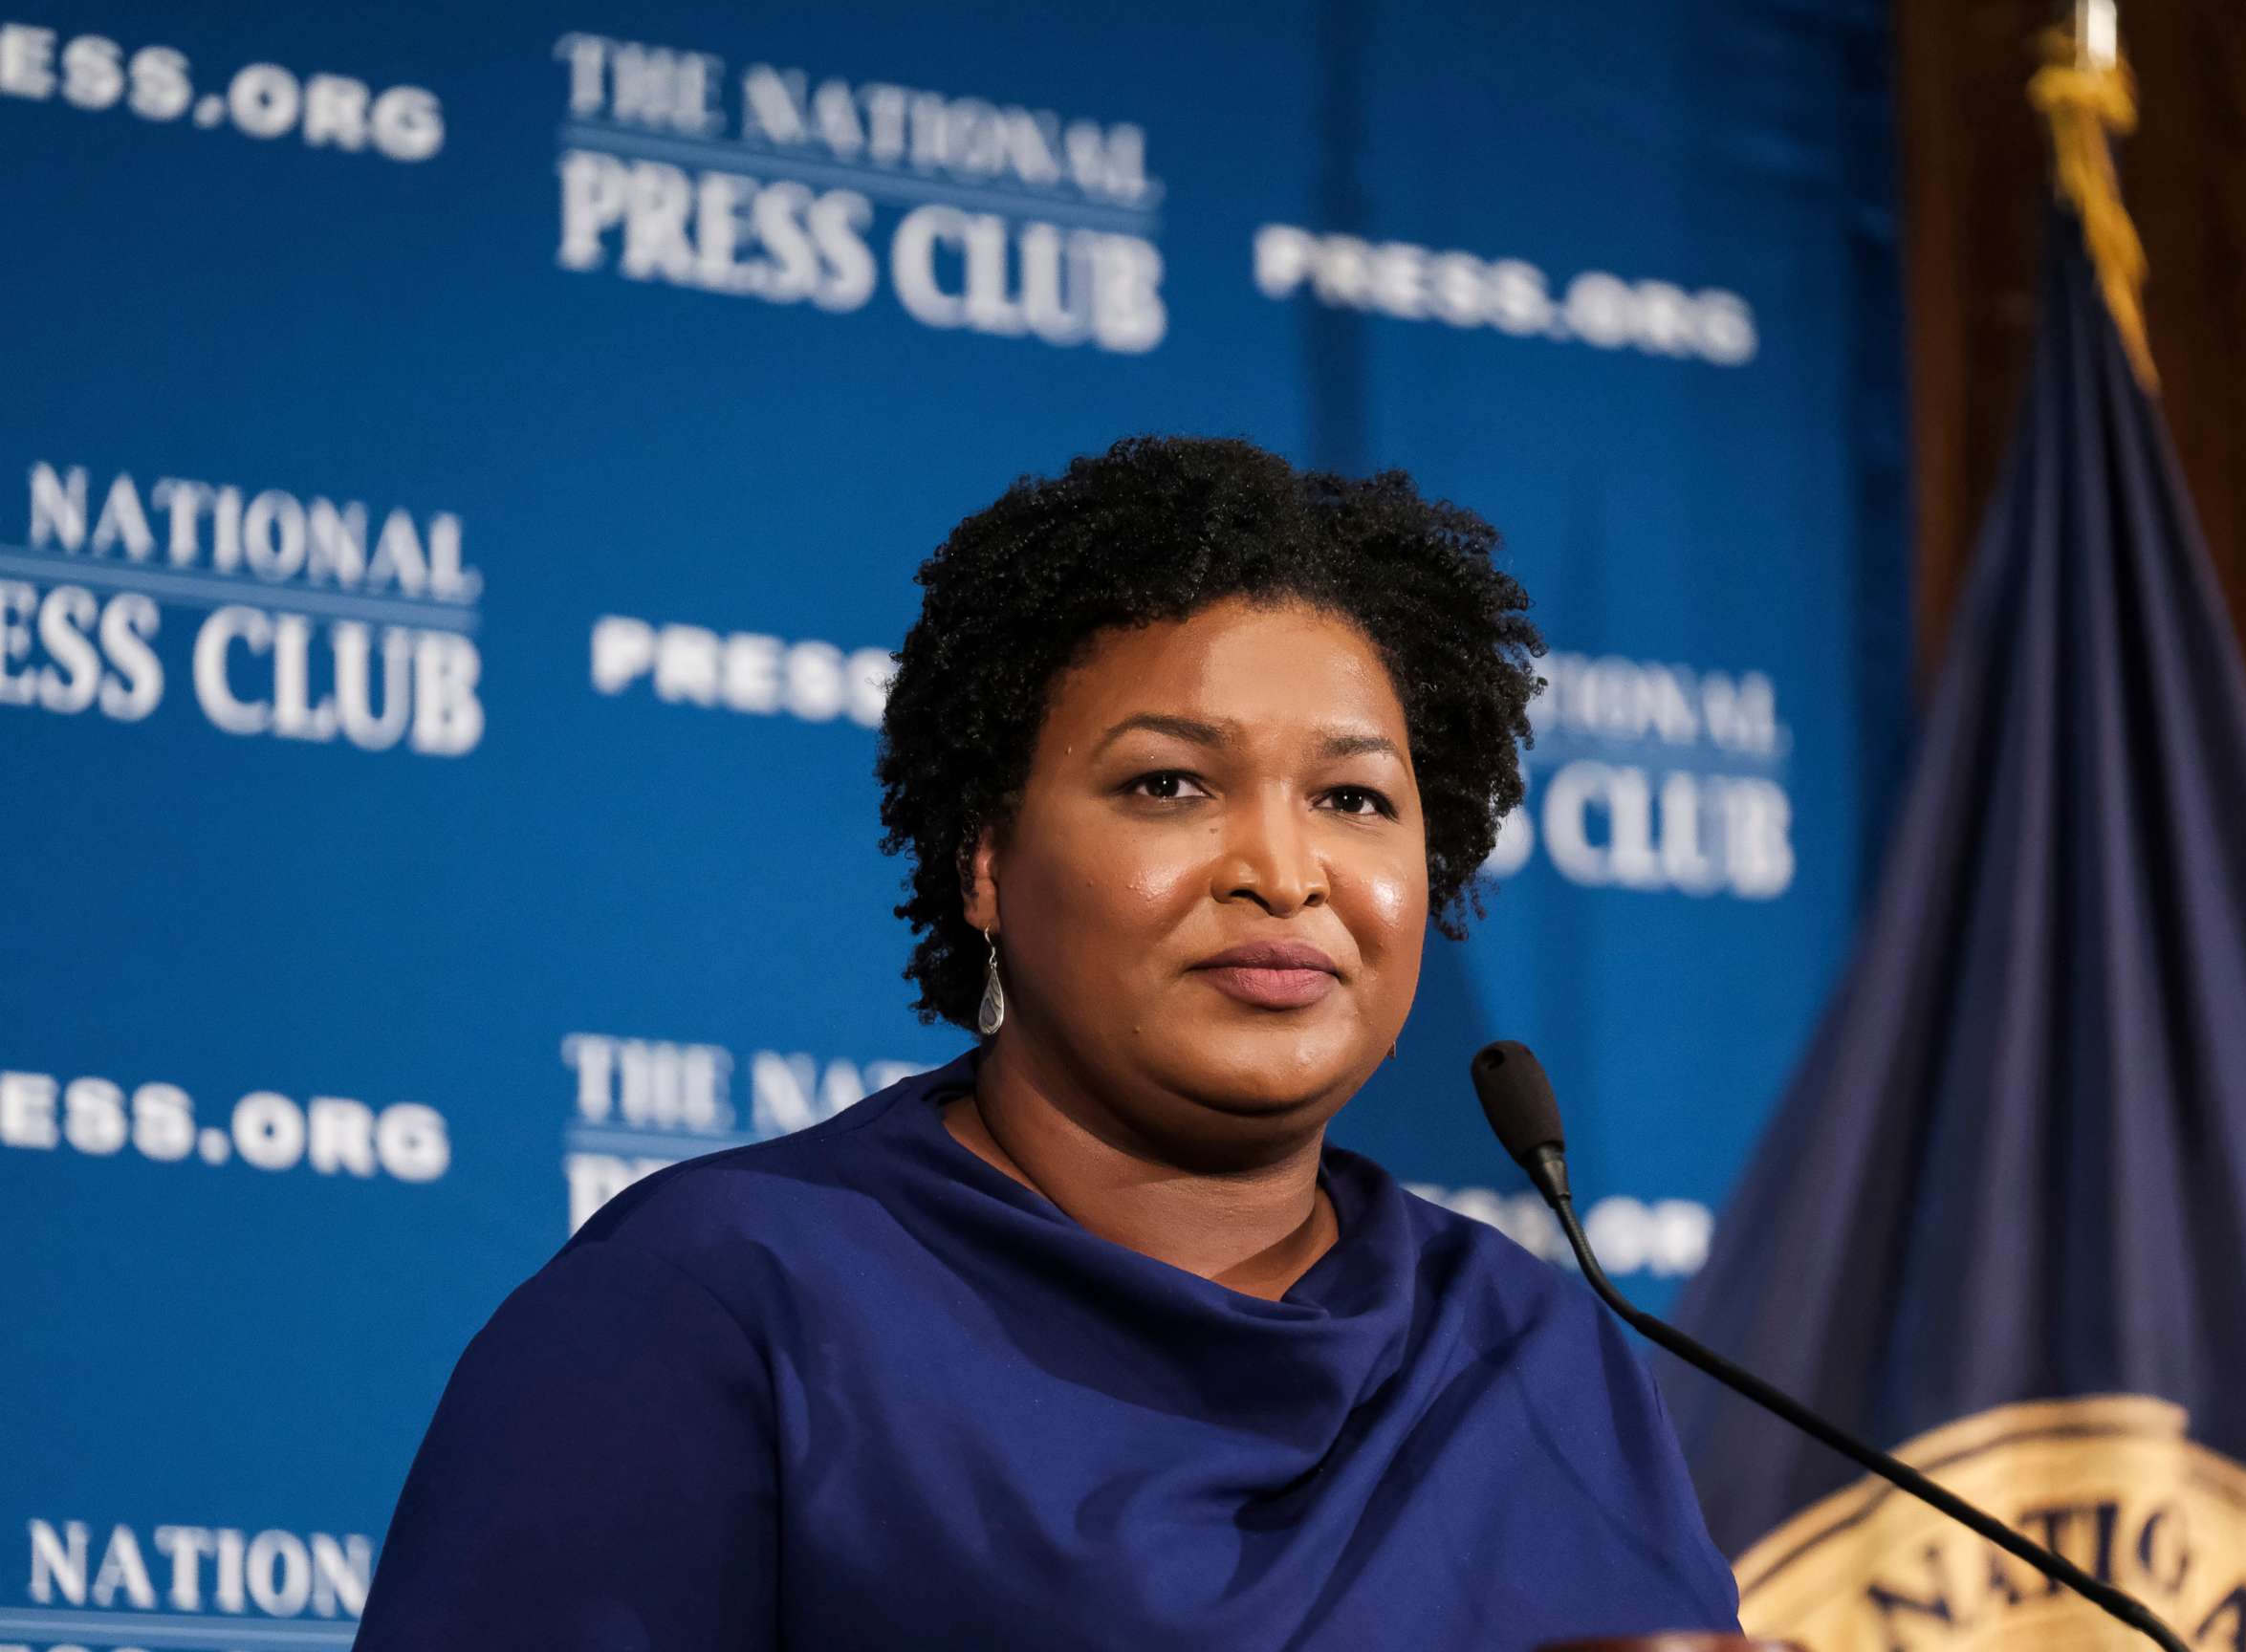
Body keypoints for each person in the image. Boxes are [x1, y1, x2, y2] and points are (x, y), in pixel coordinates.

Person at [354, 435, 1742, 1649]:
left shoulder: (1536, 1350)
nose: (1284, 869)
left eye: (1357, 800)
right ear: (986, 867)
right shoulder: (720, 1305)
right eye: (1170, 785)